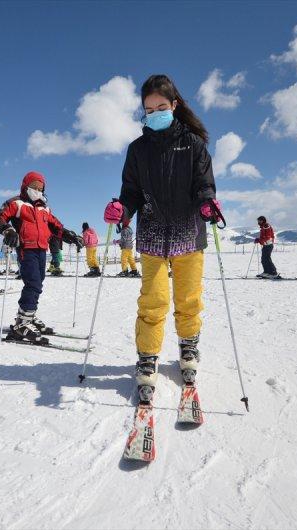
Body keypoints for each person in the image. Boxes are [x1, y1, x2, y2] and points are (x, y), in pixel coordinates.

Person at [103, 74, 217, 405]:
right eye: (149, 109)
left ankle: (188, 346)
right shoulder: (137, 150)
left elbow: (203, 184)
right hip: (152, 234)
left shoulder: (194, 145)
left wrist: (207, 200)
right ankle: (148, 356)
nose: (155, 113)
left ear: (175, 106)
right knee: (152, 301)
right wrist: (121, 208)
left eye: (161, 107)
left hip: (188, 233)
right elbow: (131, 192)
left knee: (189, 299)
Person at [0, 171, 83, 342]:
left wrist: (69, 235)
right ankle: (22, 324)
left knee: (38, 282)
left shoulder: (44, 208)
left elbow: (56, 226)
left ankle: (28, 316)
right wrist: (8, 229)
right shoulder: (16, 203)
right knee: (33, 282)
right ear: (25, 186)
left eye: (40, 188)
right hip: (26, 249)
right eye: (34, 187)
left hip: (42, 249)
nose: (37, 191)